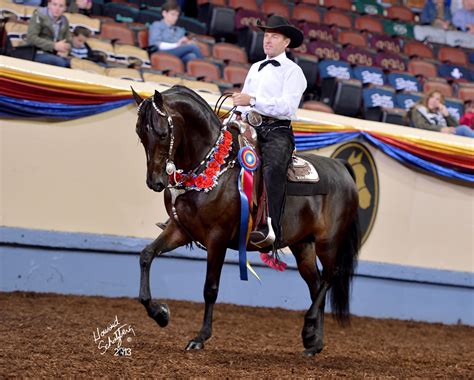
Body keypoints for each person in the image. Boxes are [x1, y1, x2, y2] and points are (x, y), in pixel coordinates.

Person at [232, 15, 307, 247]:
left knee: (273, 167)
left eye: (274, 36)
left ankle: (272, 226)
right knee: (220, 152)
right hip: (250, 125)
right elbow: (244, 102)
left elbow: (287, 107)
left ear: (286, 43)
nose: (268, 40)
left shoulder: (293, 72)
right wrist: (236, 112)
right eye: (266, 35)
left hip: (277, 130)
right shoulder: (255, 67)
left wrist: (252, 100)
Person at [148, 0, 203, 67]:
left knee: (191, 56)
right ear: (164, 13)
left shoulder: (178, 30)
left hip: (175, 52)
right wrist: (177, 45)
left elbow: (180, 44)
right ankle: (205, 68)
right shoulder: (157, 25)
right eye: (173, 14)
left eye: (177, 15)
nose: (175, 18)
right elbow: (155, 44)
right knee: (193, 47)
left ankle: (193, 75)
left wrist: (185, 43)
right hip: (161, 52)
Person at [409, 91, 474, 138]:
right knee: (464, 129)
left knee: (463, 130)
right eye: (432, 97)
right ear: (427, 99)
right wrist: (440, 129)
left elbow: (456, 126)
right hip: (428, 136)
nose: (434, 101)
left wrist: (447, 115)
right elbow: (421, 126)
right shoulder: (417, 109)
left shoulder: (440, 113)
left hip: (444, 136)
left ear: (440, 103)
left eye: (437, 99)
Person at [26, 0, 71, 68]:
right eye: (54, 4)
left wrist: (66, 50)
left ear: (65, 8)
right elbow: (31, 38)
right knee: (61, 63)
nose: (57, 8)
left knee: (71, 63)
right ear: (49, 4)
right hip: (36, 52)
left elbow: (68, 41)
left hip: (55, 53)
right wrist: (54, 46)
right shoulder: (38, 16)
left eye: (61, 6)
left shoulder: (64, 21)